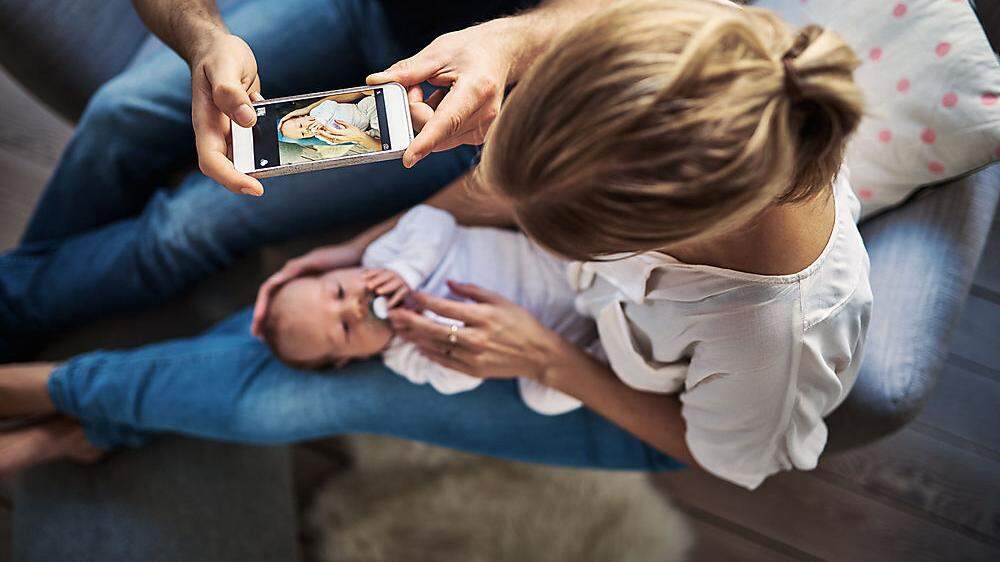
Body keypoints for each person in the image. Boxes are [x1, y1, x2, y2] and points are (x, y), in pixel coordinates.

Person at [2, 0, 870, 491]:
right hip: (558, 303)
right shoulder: (703, 50)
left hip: (616, 391)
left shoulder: (771, 336)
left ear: (647, 237)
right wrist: (358, 244)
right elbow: (492, 196)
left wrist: (548, 363)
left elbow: (726, 454)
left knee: (280, 399)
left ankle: (60, 396)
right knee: (293, 305)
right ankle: (71, 397)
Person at [0, 0, 602, 361]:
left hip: (474, 114)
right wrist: (205, 39)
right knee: (120, 113)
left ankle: (15, 310)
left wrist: (508, 42)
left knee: (189, 226)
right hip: (362, 10)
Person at [261, 204, 591, 414]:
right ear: (350, 358)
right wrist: (430, 328)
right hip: (565, 339)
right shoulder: (405, 356)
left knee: (562, 224)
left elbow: (435, 220)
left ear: (337, 270)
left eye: (338, 291)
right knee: (541, 400)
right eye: (345, 328)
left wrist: (407, 271)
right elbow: (459, 380)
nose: (355, 307)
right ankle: (607, 354)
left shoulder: (382, 256)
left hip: (555, 264)